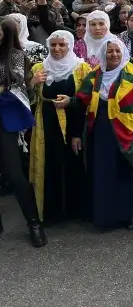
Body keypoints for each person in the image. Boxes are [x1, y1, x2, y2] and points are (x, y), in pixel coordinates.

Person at [71, 37, 133, 231]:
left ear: (124, 52)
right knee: (103, 173)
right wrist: (76, 130)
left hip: (127, 131)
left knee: (127, 172)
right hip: (101, 132)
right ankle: (105, 217)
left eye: (118, 51)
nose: (114, 54)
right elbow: (80, 102)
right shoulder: (94, 77)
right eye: (110, 51)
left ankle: (130, 214)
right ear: (103, 54)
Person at [28, 30, 91, 225]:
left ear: (70, 45)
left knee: (72, 163)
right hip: (45, 124)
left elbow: (88, 99)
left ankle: (74, 210)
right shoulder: (39, 68)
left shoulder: (82, 68)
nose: (57, 49)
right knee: (49, 165)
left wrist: (71, 102)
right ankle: (52, 212)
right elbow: (28, 100)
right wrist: (31, 83)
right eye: (53, 45)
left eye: (61, 45)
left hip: (73, 122)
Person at [0, 18, 47, 247]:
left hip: (5, 121)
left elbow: (15, 82)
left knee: (14, 174)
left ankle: (34, 223)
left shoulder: (15, 55)